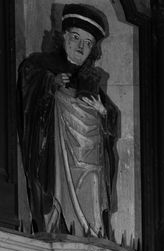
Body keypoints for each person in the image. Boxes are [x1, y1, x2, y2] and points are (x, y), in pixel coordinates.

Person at [18, 4, 120, 238]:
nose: (81, 47)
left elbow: (109, 117)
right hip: (57, 157)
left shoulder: (89, 79)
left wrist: (103, 113)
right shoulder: (40, 66)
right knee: (57, 190)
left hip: (89, 162)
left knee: (92, 183)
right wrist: (50, 84)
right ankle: (58, 225)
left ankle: (92, 231)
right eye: (76, 37)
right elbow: (28, 100)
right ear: (64, 36)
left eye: (88, 43)